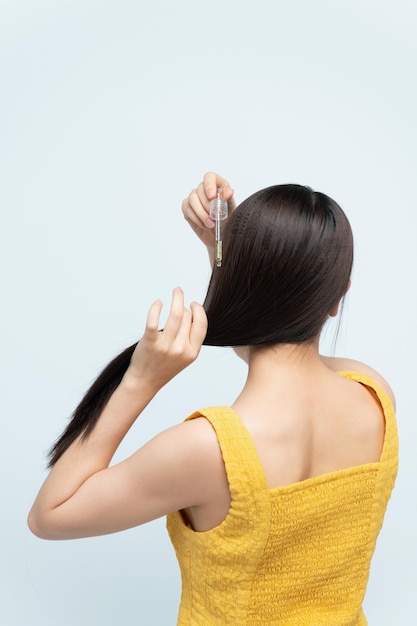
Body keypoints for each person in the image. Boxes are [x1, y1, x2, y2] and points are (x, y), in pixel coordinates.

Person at [28, 172, 398, 625]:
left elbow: (50, 515)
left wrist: (140, 381)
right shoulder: (374, 395)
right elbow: (282, 349)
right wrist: (228, 255)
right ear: (338, 298)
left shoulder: (207, 450)